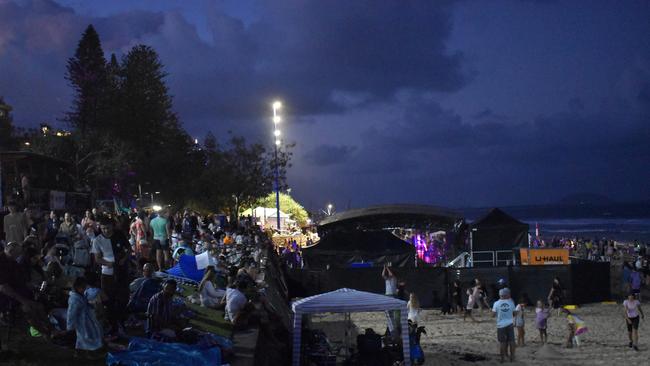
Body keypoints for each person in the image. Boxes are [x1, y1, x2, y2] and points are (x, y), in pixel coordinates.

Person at [0, 242, 52, 339]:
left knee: (39, 306)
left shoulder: (13, 262)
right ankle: (45, 333)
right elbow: (3, 288)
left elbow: (22, 280)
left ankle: (51, 330)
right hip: (6, 297)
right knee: (29, 308)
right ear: (11, 252)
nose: (19, 256)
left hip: (17, 292)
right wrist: (23, 300)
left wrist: (34, 287)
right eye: (18, 254)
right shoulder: (2, 262)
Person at [91, 218, 131, 336]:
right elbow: (97, 258)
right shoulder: (97, 240)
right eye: (103, 228)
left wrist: (124, 259)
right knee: (109, 300)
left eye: (108, 228)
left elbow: (128, 249)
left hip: (122, 271)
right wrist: (109, 264)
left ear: (112, 226)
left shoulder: (119, 235)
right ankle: (112, 325)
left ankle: (121, 321)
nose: (106, 230)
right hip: (107, 273)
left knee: (123, 297)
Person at [66, 276, 103, 354]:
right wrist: (70, 326)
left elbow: (85, 303)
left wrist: (91, 305)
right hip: (81, 321)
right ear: (77, 287)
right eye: (82, 288)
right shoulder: (74, 300)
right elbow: (71, 314)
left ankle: (87, 350)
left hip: (87, 319)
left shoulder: (80, 296)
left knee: (89, 334)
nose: (84, 290)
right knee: (85, 336)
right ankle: (88, 351)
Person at [492, 288, 516, 363]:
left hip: (501, 325)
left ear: (500, 295)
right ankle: (512, 358)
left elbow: (493, 315)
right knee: (511, 341)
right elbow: (514, 313)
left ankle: (502, 359)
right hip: (510, 324)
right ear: (507, 294)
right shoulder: (511, 302)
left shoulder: (496, 303)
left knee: (502, 342)